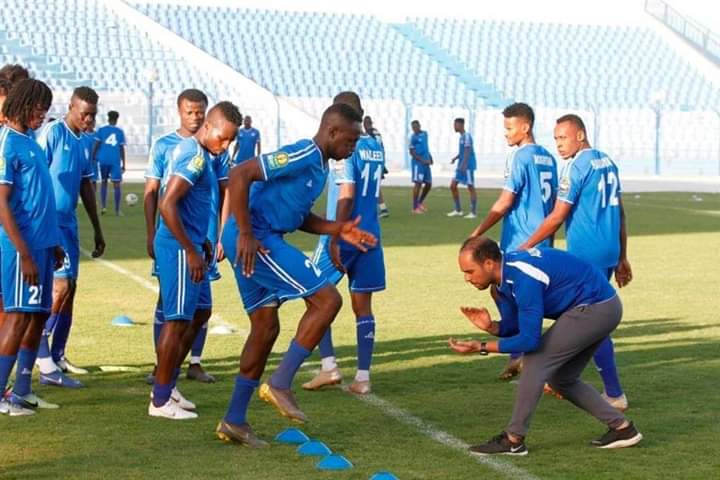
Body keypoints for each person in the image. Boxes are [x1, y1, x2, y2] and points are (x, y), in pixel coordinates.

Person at [216, 102, 376, 447]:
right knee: (327, 299)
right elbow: (241, 174)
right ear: (332, 132)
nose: (352, 148)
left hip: (256, 236)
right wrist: (245, 232)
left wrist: (337, 228)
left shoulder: (320, 168)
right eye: (350, 141)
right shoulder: (304, 152)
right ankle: (281, 382)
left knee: (265, 327)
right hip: (255, 238)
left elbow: (297, 216)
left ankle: (234, 420)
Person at [449, 237, 642, 454]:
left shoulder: (523, 276)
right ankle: (623, 429)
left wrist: (481, 347)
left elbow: (530, 341)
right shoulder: (502, 283)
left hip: (596, 307)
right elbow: (519, 327)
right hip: (599, 307)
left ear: (488, 263)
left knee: (535, 361)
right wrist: (493, 327)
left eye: (469, 271)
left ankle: (513, 440)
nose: (467, 278)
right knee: (561, 379)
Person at [517, 114, 631, 410]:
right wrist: (622, 256)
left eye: (563, 138)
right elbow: (621, 213)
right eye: (555, 139)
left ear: (580, 135)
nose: (558, 145)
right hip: (607, 252)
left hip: (586, 255)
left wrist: (525, 246)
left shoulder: (577, 166)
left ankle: (611, 392)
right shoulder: (607, 161)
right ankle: (559, 374)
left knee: (584, 320)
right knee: (585, 317)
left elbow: (557, 215)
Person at [149, 101, 241, 420]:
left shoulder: (205, 154)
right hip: (177, 248)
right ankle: (159, 400)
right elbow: (168, 204)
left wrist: (200, 239)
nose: (225, 145)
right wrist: (189, 248)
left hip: (191, 243)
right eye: (223, 137)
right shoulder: (193, 156)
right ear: (208, 126)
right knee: (176, 322)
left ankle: (167, 385)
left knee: (201, 312)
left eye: (231, 141)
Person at [303, 92, 385, 394]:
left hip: (345, 233)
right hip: (371, 235)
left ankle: (329, 367)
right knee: (363, 307)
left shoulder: (347, 147)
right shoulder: (376, 146)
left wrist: (335, 236)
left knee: (315, 296)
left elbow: (347, 191)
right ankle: (363, 378)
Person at [469, 103, 558, 381]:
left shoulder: (519, 156)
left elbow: (506, 201)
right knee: (525, 300)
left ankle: (526, 357)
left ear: (525, 127)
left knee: (505, 292)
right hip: (543, 243)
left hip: (520, 243)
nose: (505, 134)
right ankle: (522, 357)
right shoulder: (548, 157)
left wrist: (478, 232)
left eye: (509, 128)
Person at [0, 78, 65, 416]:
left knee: (37, 317)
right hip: (20, 248)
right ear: (23, 105)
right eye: (39, 108)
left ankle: (22, 391)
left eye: (46, 109)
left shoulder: (30, 141)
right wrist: (24, 252)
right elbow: (2, 203)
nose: (43, 114)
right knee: (17, 317)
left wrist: (51, 243)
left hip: (42, 245)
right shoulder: (7, 142)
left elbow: (38, 197)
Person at [144, 89, 218, 385]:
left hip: (199, 240)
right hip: (178, 242)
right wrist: (152, 233)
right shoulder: (169, 146)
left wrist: (213, 236)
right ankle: (162, 376)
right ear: (179, 111)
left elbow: (219, 192)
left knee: (201, 309)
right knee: (173, 310)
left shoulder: (212, 148)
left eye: (200, 111)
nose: (195, 116)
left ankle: (186, 365)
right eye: (190, 111)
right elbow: (155, 193)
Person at [33, 87, 105, 390]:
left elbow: (86, 185)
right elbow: (37, 175)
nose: (89, 119)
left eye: (93, 114)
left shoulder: (84, 142)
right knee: (58, 288)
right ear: (71, 107)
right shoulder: (52, 133)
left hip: (69, 224)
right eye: (84, 113)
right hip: (49, 223)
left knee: (70, 288)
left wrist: (97, 229)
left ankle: (59, 356)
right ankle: (42, 358)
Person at [93, 110, 126, 216]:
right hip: (115, 160)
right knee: (117, 184)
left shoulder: (101, 130)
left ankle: (103, 207)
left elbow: (97, 144)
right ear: (117, 119)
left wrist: (93, 156)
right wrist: (124, 163)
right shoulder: (119, 132)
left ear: (108, 118)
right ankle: (117, 210)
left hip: (103, 159)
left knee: (104, 182)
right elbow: (121, 148)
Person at [447, 118, 477, 219]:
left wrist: (464, 165)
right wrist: (455, 158)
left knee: (470, 187)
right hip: (461, 165)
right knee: (452, 185)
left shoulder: (467, 136)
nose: (454, 127)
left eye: (455, 125)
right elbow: (462, 152)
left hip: (467, 166)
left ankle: (473, 212)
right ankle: (458, 210)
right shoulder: (461, 137)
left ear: (461, 125)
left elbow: (468, 151)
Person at [365, 116, 389, 218]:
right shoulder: (377, 132)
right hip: (380, 161)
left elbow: (370, 148)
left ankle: (382, 209)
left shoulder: (369, 134)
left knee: (372, 187)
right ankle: (380, 208)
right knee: (374, 186)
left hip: (372, 162)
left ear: (365, 124)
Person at [409, 120, 433, 214]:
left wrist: (430, 157)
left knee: (428, 184)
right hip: (417, 164)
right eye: (413, 127)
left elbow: (426, 147)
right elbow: (412, 152)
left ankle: (419, 203)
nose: (414, 129)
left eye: (416, 127)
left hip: (426, 163)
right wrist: (421, 160)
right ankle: (414, 208)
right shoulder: (413, 138)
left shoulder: (425, 134)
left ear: (419, 126)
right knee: (418, 184)